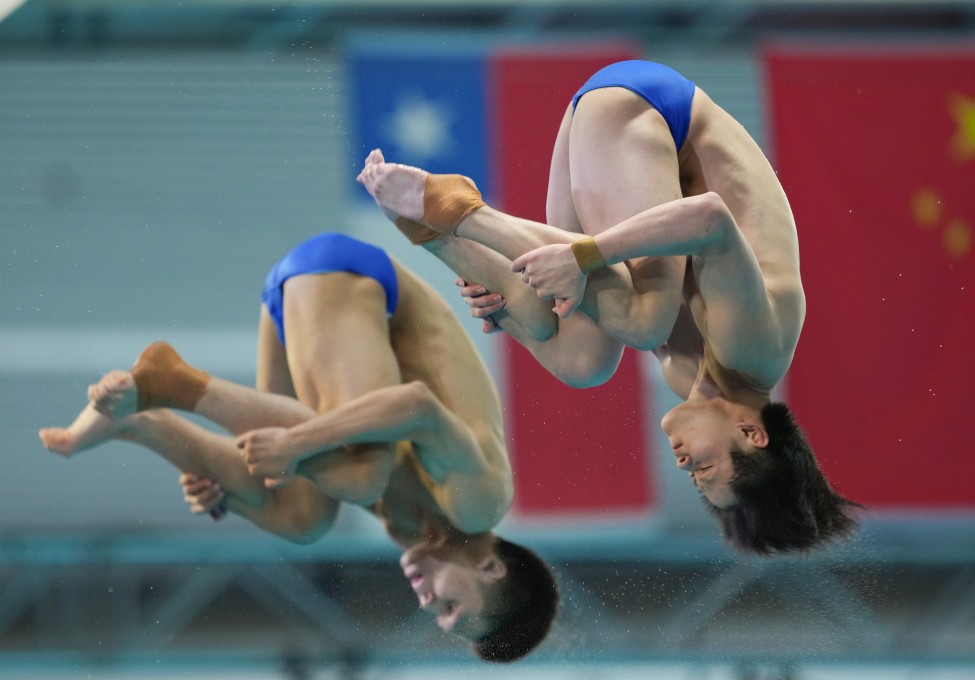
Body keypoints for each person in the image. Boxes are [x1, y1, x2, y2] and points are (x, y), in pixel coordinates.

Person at [357, 59, 860, 556]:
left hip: (603, 143)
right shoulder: (757, 345)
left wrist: (508, 311)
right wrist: (583, 256)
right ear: (751, 432)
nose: (685, 465)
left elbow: (576, 308)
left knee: (582, 362)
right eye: (705, 469)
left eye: (693, 480)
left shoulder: (692, 383)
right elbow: (708, 217)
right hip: (650, 111)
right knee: (644, 322)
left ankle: (425, 230)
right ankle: (459, 211)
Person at [38, 232, 558, 662]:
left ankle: (142, 424)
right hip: (350, 280)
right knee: (360, 475)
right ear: (491, 569)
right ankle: (171, 383)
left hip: (303, 312)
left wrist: (227, 487)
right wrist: (296, 442)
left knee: (304, 519)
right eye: (450, 609)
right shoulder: (479, 503)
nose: (426, 606)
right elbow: (417, 406)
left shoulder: (410, 530)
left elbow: (304, 462)